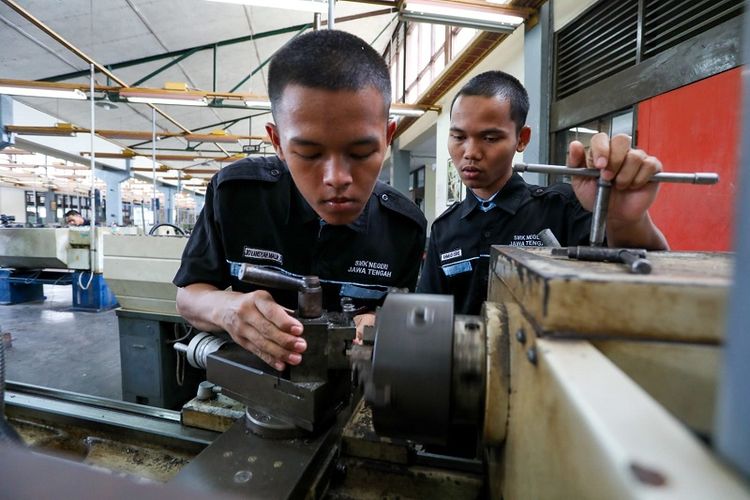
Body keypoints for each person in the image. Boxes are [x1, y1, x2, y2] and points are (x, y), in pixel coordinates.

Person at [173, 30, 427, 372]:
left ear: (387, 136)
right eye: (309, 153)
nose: (337, 177)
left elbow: (403, 308)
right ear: (277, 142)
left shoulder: (405, 228)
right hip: (254, 384)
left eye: (361, 152)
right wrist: (227, 308)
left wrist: (380, 320)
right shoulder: (236, 197)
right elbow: (188, 296)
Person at [417, 71, 669, 315]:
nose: (470, 152)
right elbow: (427, 316)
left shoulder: (564, 208)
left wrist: (624, 221)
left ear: (522, 138)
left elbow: (646, 284)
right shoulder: (445, 229)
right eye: (458, 136)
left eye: (490, 138)